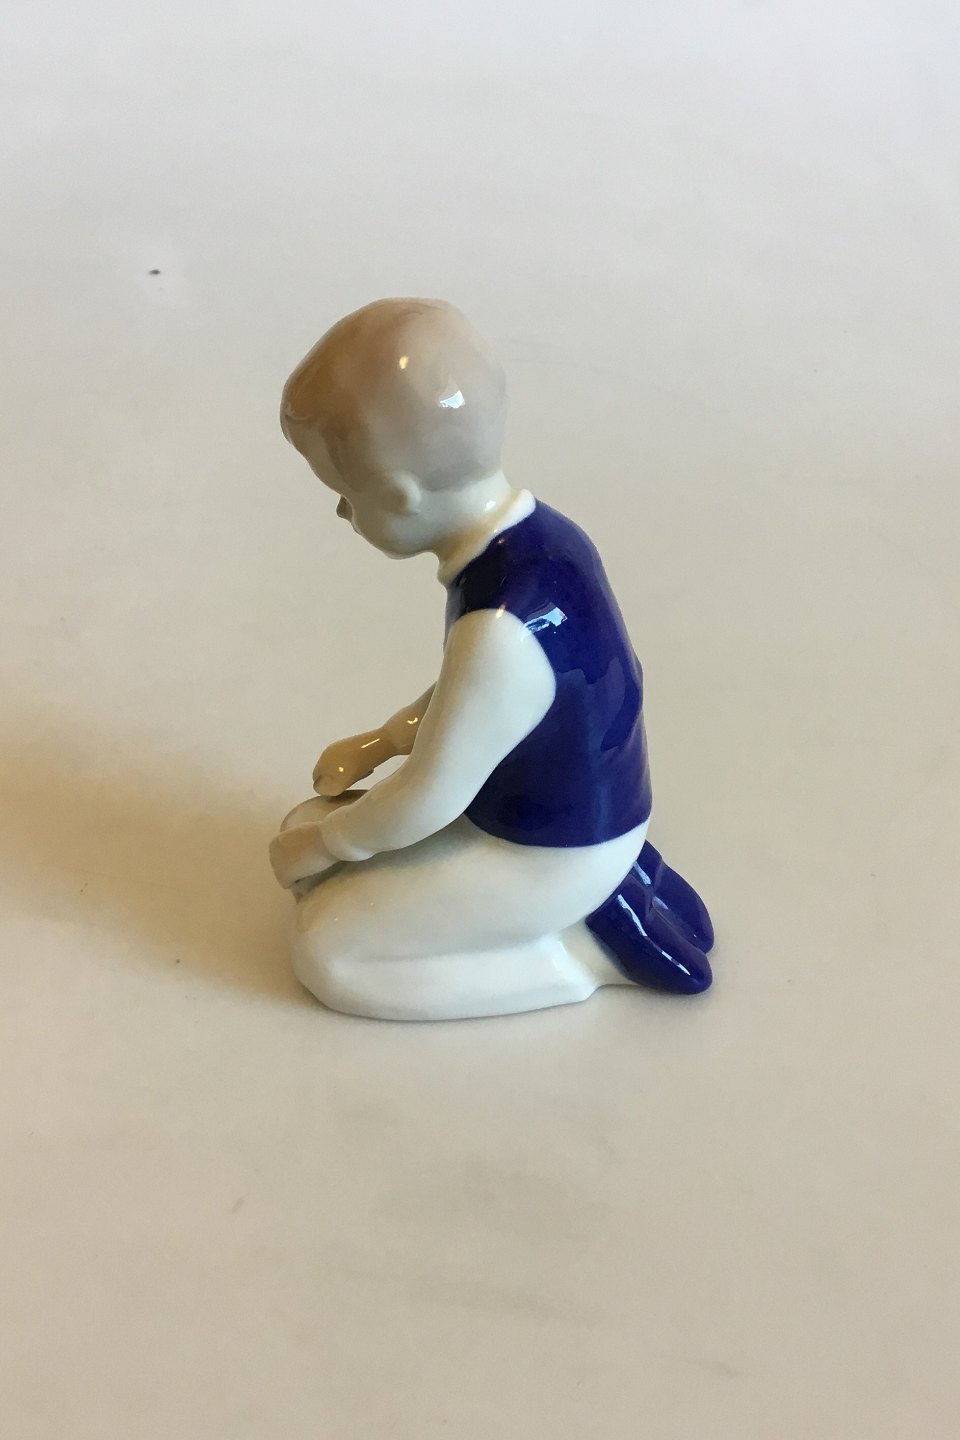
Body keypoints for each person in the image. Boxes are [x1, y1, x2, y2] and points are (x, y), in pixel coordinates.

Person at [269, 298, 712, 1020]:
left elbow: (427, 798)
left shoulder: (501, 628)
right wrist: (381, 743)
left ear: (398, 496)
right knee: (310, 831)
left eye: (346, 497)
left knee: (327, 948)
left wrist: (325, 845)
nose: (344, 515)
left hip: (545, 855)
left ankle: (576, 956)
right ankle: (591, 899)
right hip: (544, 814)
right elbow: (478, 704)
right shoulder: (547, 538)